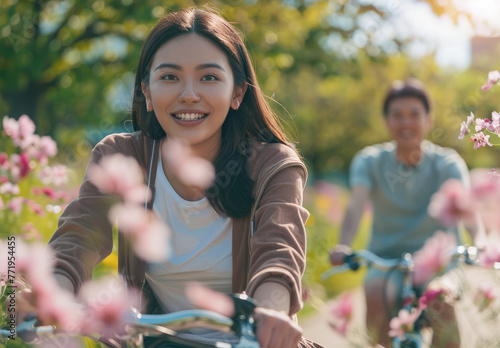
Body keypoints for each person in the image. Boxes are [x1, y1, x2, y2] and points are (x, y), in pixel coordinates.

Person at [48, 7, 321, 348]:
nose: (188, 94)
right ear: (146, 92)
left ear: (237, 93)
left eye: (208, 77)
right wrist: (48, 298)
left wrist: (273, 313)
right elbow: (77, 239)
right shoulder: (122, 157)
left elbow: (279, 253)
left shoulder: (271, 165)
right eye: (169, 77)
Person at [329, 79, 483, 347]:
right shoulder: (369, 161)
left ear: (429, 120)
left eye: (414, 114)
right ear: (387, 121)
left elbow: (468, 208)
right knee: (375, 294)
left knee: (440, 297)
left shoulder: (447, 164)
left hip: (440, 261)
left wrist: (479, 241)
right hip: (386, 259)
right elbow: (355, 205)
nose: (406, 122)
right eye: (397, 115)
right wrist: (343, 244)